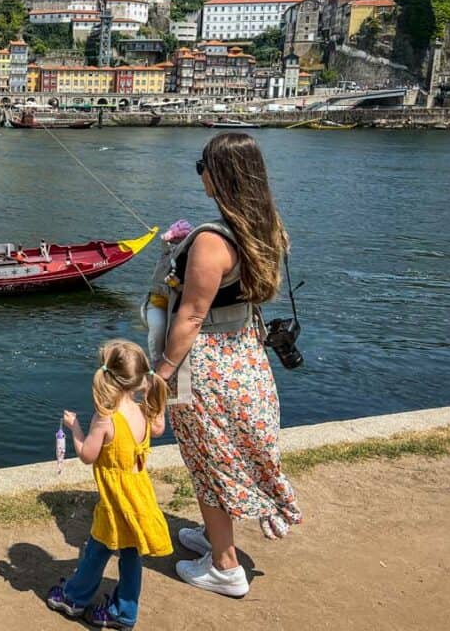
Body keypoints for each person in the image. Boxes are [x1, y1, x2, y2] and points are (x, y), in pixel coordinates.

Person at [157, 132, 302, 598]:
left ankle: (223, 566)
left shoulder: (211, 242)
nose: (199, 173)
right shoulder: (268, 227)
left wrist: (160, 375)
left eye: (203, 165)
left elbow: (192, 315)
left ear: (221, 175)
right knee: (226, 450)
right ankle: (215, 531)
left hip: (207, 362)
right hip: (245, 355)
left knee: (208, 458)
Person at [46, 340, 172, 629]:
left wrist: (75, 427)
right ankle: (124, 611)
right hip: (138, 495)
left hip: (115, 499)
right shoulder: (144, 411)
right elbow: (159, 428)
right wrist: (158, 400)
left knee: (97, 550)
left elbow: (88, 456)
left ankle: (73, 598)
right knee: (130, 555)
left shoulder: (105, 418)